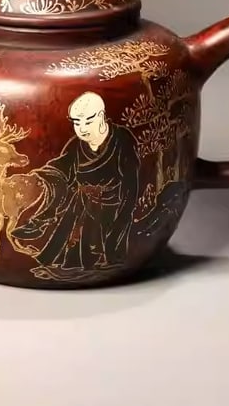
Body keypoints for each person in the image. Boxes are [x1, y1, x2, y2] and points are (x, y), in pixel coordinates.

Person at [10, 91, 141, 281]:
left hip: (113, 203)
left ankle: (100, 267)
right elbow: (62, 167)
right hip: (82, 202)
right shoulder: (76, 145)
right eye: (77, 123)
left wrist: (125, 211)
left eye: (88, 122)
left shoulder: (121, 140)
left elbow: (130, 182)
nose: (82, 128)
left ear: (101, 117)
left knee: (107, 249)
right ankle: (44, 232)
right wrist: (43, 176)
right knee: (72, 246)